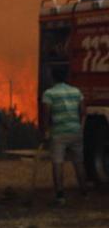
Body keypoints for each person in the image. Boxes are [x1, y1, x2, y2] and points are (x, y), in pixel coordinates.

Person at [41, 67, 87, 205]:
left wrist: (46, 131)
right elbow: (84, 112)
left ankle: (60, 196)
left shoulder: (49, 93)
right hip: (76, 131)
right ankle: (84, 193)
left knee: (57, 163)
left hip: (59, 133)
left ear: (52, 77)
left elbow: (46, 115)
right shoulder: (76, 91)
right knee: (79, 162)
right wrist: (81, 128)